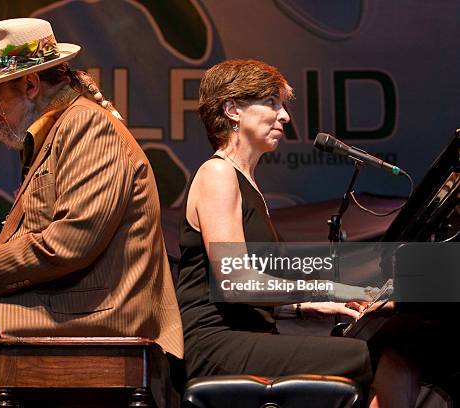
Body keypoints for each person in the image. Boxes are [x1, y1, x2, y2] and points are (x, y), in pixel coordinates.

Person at [0, 18, 183, 407]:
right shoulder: (60, 131)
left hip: (104, 309)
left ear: (30, 85)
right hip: (79, 300)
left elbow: (72, 242)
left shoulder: (87, 128)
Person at [176, 59, 418, 407]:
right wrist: (333, 290)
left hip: (246, 334)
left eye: (283, 105)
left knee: (385, 353)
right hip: (217, 343)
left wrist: (307, 307)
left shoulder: (247, 183)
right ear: (232, 110)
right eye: (272, 103)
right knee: (387, 357)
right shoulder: (217, 174)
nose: (285, 116)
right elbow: (235, 282)